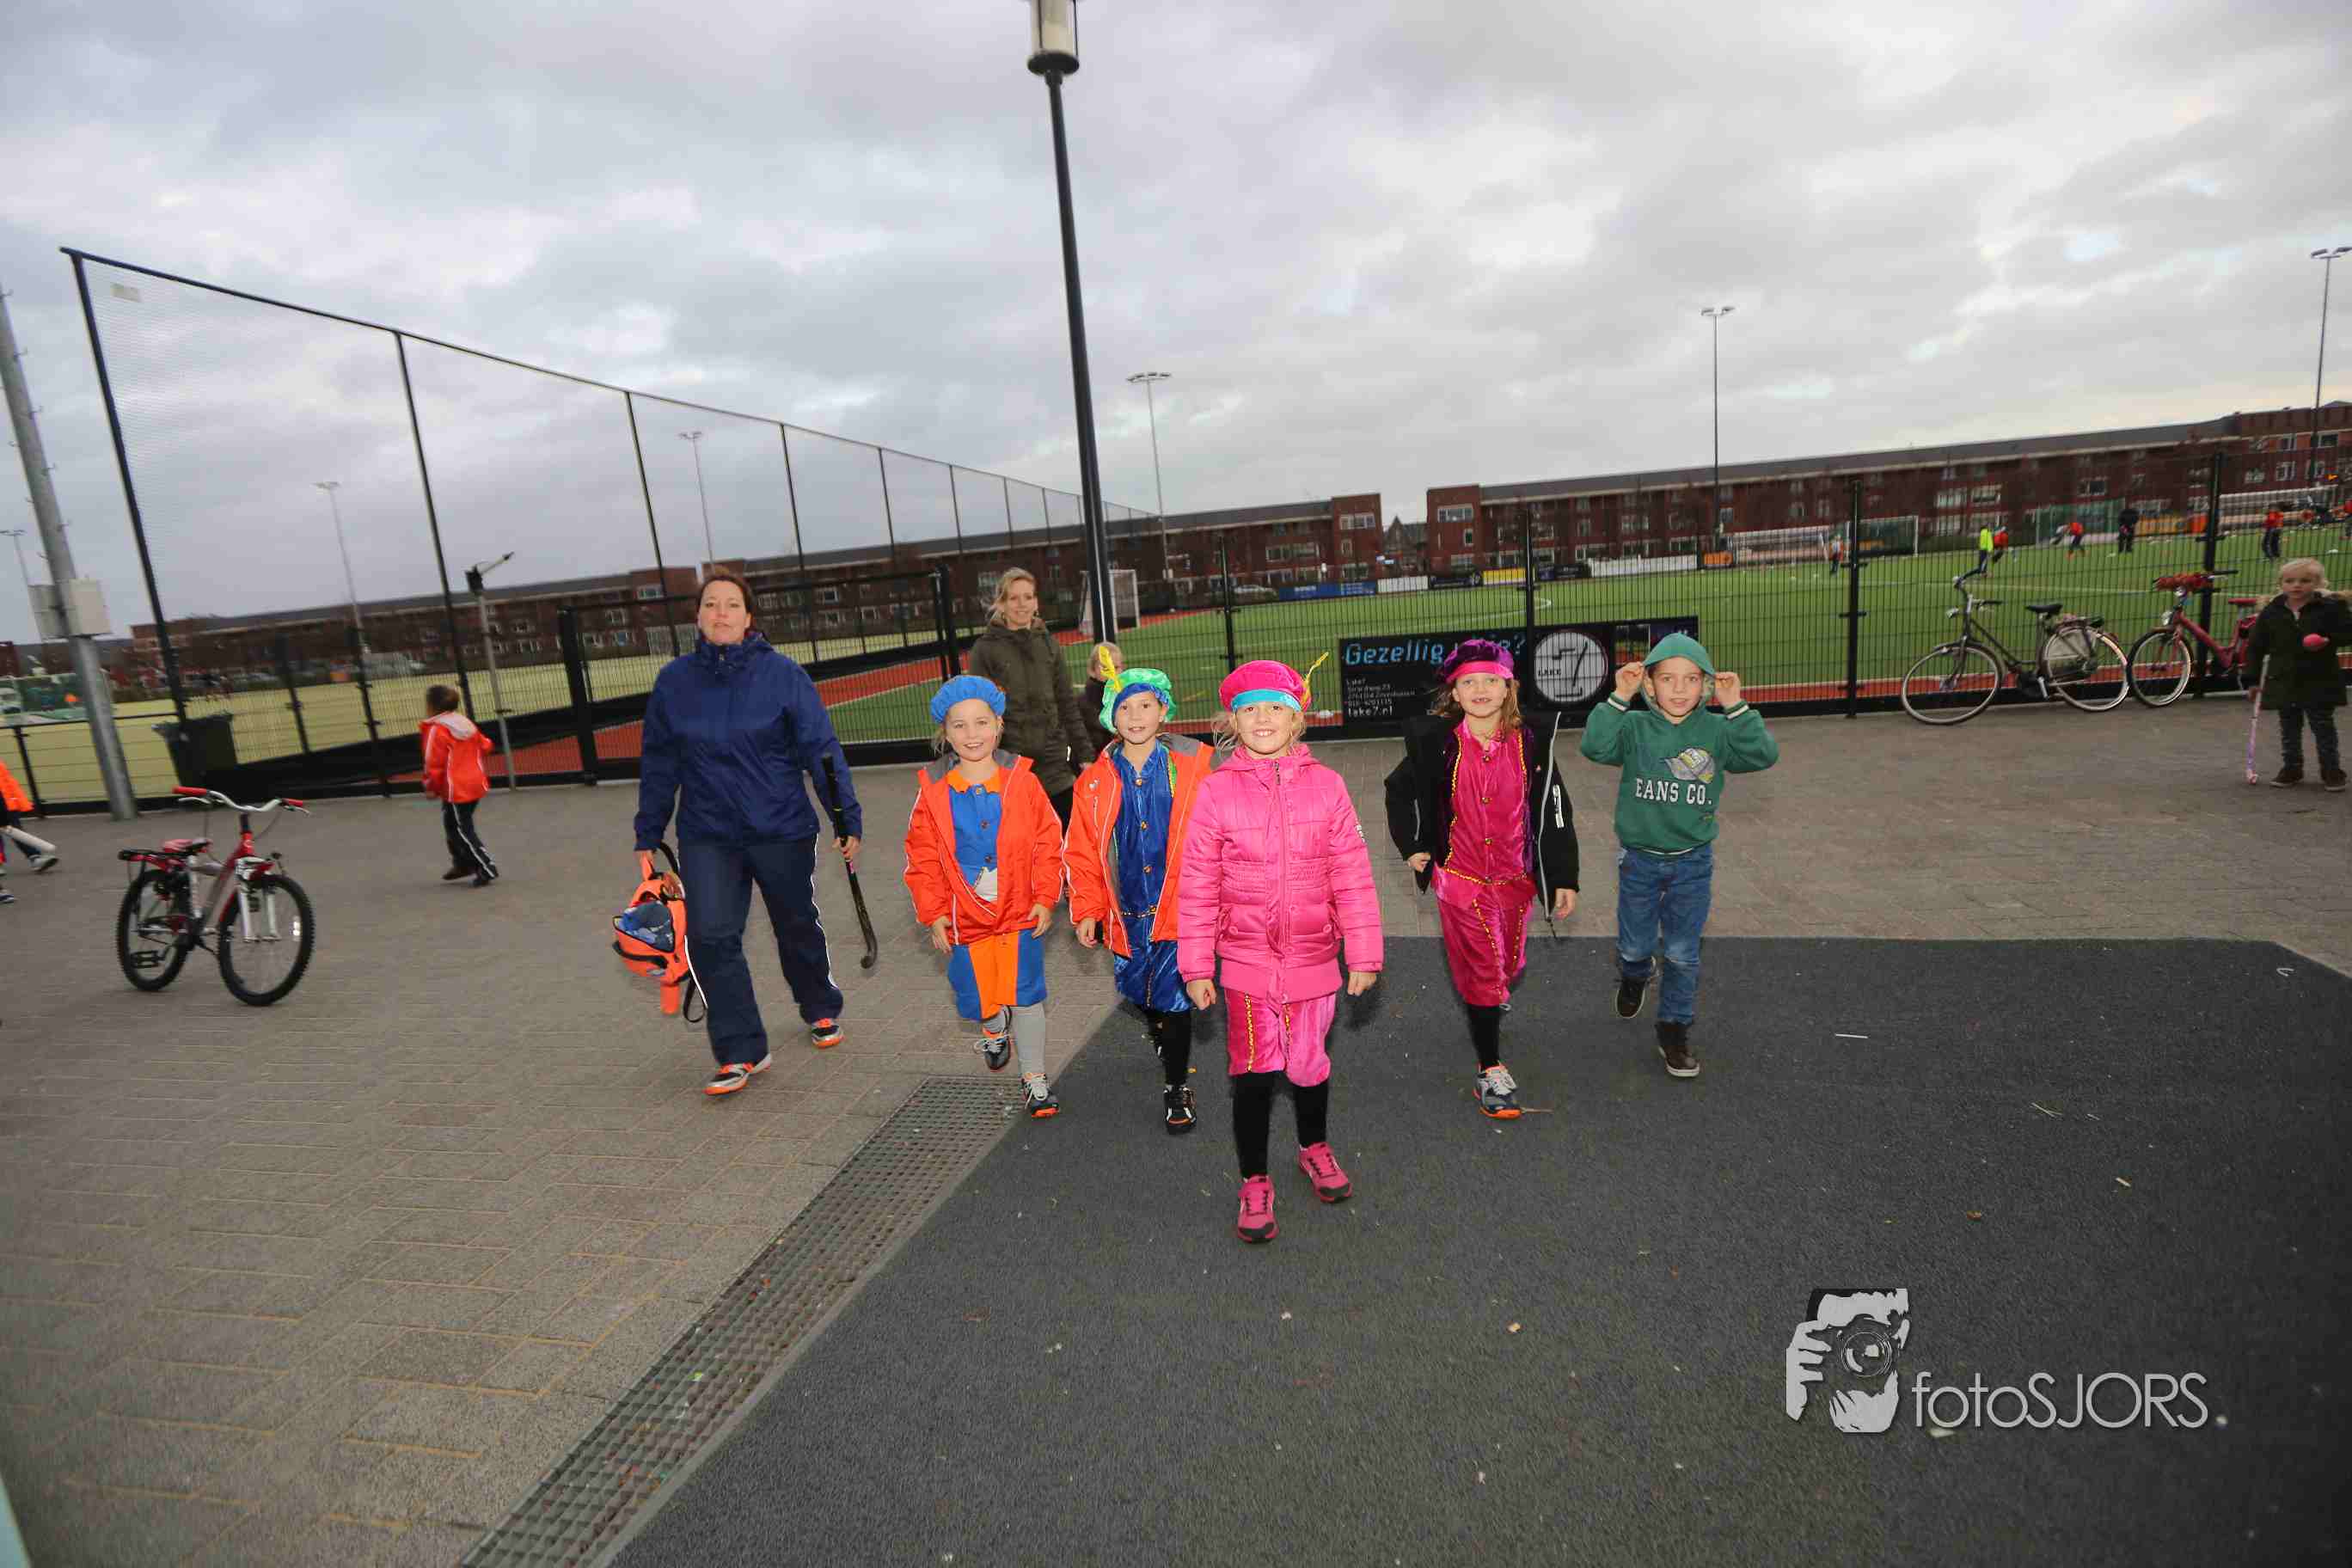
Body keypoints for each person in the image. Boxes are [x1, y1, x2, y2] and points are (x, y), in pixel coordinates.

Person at [634, 571, 862, 1096]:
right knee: (710, 936)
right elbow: (659, 762)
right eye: (711, 604)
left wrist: (844, 816)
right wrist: (648, 831)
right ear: (698, 617)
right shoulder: (674, 682)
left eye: (731, 604)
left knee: (795, 923)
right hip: (707, 834)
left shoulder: (784, 675)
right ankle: (741, 1050)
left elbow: (821, 750)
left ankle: (819, 1004)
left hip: (780, 828)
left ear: (749, 616)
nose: (721, 613)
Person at [1178, 659, 1382, 1244]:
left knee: (1309, 1064)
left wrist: (1364, 952)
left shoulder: (1329, 786)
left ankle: (1314, 1146)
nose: (1262, 718)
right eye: (1248, 709)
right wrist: (1197, 964)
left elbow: (1352, 874)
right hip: (1246, 965)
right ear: (1232, 722)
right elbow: (1197, 883)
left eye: (1274, 708)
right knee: (1253, 1073)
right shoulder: (1215, 792)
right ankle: (1254, 1178)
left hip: (1315, 961)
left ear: (1297, 719)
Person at [1381, 640, 1578, 1119]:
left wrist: (1563, 876)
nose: (1481, 689)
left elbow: (1555, 809)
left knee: (1507, 965)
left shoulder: (1532, 744)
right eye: (1469, 682)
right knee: (1486, 974)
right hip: (1461, 881)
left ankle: (1487, 998)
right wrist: (1413, 846)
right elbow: (1398, 790)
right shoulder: (1438, 744)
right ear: (1455, 692)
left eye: (1491, 680)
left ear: (1509, 688)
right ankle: (1490, 1068)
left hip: (1515, 881)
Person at [1578, 634, 1779, 1080]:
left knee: (1684, 954)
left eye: (1691, 679)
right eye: (1667, 679)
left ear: (1706, 685)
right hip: (1639, 861)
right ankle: (1635, 973)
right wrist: (1619, 696)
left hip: (1692, 863)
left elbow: (1763, 754)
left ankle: (1674, 1030)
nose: (1679, 689)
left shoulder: (1717, 730)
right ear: (1649, 684)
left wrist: (1736, 706)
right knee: (1634, 946)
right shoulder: (1634, 727)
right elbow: (1594, 746)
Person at [903, 674, 1066, 1117]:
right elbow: (922, 857)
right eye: (959, 725)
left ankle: (1034, 1078)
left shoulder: (1023, 782)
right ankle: (993, 1026)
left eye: (981, 722)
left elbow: (1048, 842)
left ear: (999, 725)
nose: (971, 734)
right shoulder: (933, 791)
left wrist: (1045, 896)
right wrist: (934, 913)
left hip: (1019, 911)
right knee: (977, 997)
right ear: (945, 732)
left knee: (1026, 995)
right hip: (965, 917)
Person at [1065, 667, 1216, 1132]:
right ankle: (1159, 1027)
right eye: (1124, 707)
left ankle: (1176, 1085)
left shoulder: (1194, 766)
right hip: (1127, 911)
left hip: (1179, 907)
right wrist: (1088, 909)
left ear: (1163, 710)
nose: (1135, 716)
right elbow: (1082, 851)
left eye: (1145, 705)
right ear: (1111, 717)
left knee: (1175, 999)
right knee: (1139, 992)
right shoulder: (1093, 782)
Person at [964, 567, 1095, 829]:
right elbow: (978, 713)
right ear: (1001, 603)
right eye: (1013, 598)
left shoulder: (1049, 645)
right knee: (1024, 846)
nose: (1022, 604)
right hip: (1012, 766)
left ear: (1036, 603)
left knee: (1068, 839)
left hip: (1055, 765)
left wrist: (1085, 754)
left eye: (1028, 597)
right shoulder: (985, 650)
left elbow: (1067, 703)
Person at [2244, 559, 2352, 791]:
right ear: (2281, 584)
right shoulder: (2272, 612)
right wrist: (2252, 680)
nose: (2296, 585)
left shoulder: (2330, 608)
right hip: (2284, 678)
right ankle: (2292, 768)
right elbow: (2255, 647)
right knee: (2289, 727)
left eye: (2305, 581)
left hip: (2320, 677)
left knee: (2323, 726)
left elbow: (2347, 632)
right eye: (2290, 581)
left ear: (2318, 583)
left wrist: (2328, 640)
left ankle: (2331, 770)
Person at [420, 684, 499, 886]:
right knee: (452, 823)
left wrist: (431, 786)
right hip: (475, 781)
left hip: (456, 787)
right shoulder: (464, 723)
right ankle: (463, 863)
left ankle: (485, 866)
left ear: (431, 706)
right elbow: (486, 745)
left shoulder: (437, 730)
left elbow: (433, 762)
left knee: (460, 829)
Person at [0, 753, 57, 906]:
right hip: (5, 803)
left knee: (14, 829)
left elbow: (6, 782)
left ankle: (35, 858)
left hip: (7, 803)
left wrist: (14, 802)